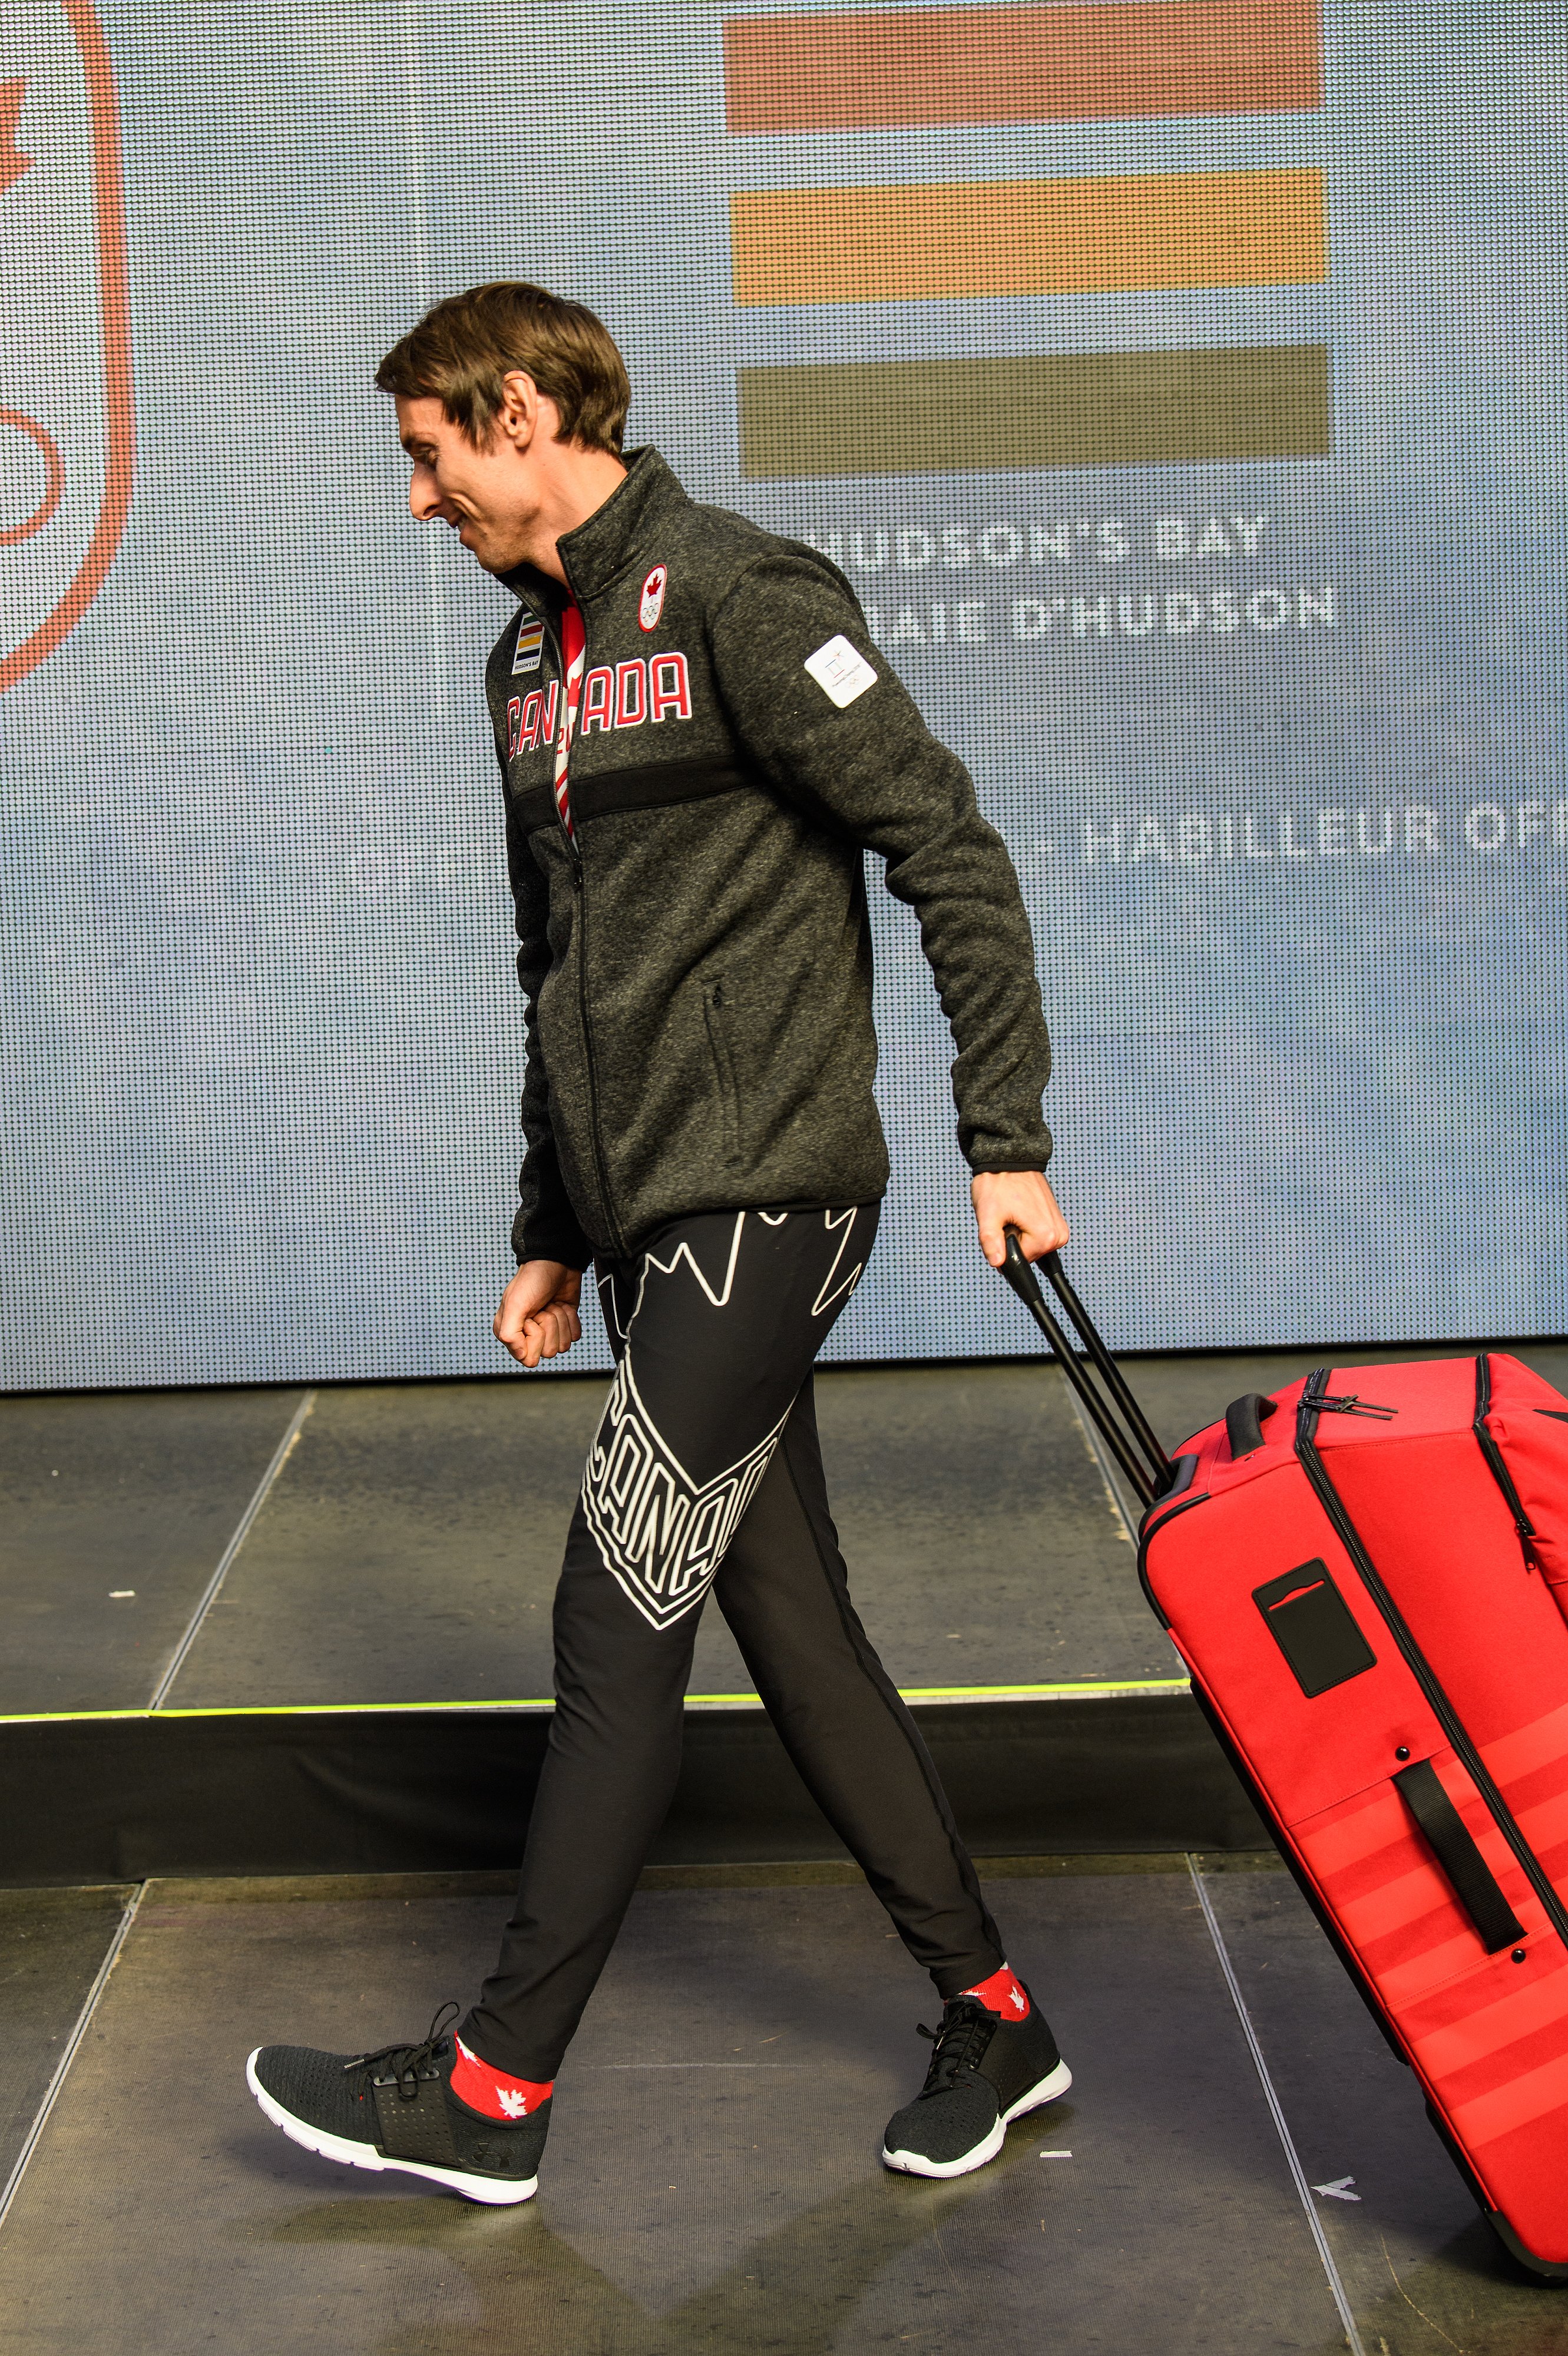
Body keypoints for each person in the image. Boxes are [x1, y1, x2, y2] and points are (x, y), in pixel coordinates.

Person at [247, 283, 1073, 2206]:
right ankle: (1001, 2018)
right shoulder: (525, 669)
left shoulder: (741, 592)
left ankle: (494, 2094)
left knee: (620, 1608)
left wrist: (1003, 1136)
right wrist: (552, 1221)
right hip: (647, 1222)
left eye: (429, 456)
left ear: (519, 409)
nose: (418, 500)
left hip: (777, 1191)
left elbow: (949, 845)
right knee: (791, 1624)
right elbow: (562, 972)